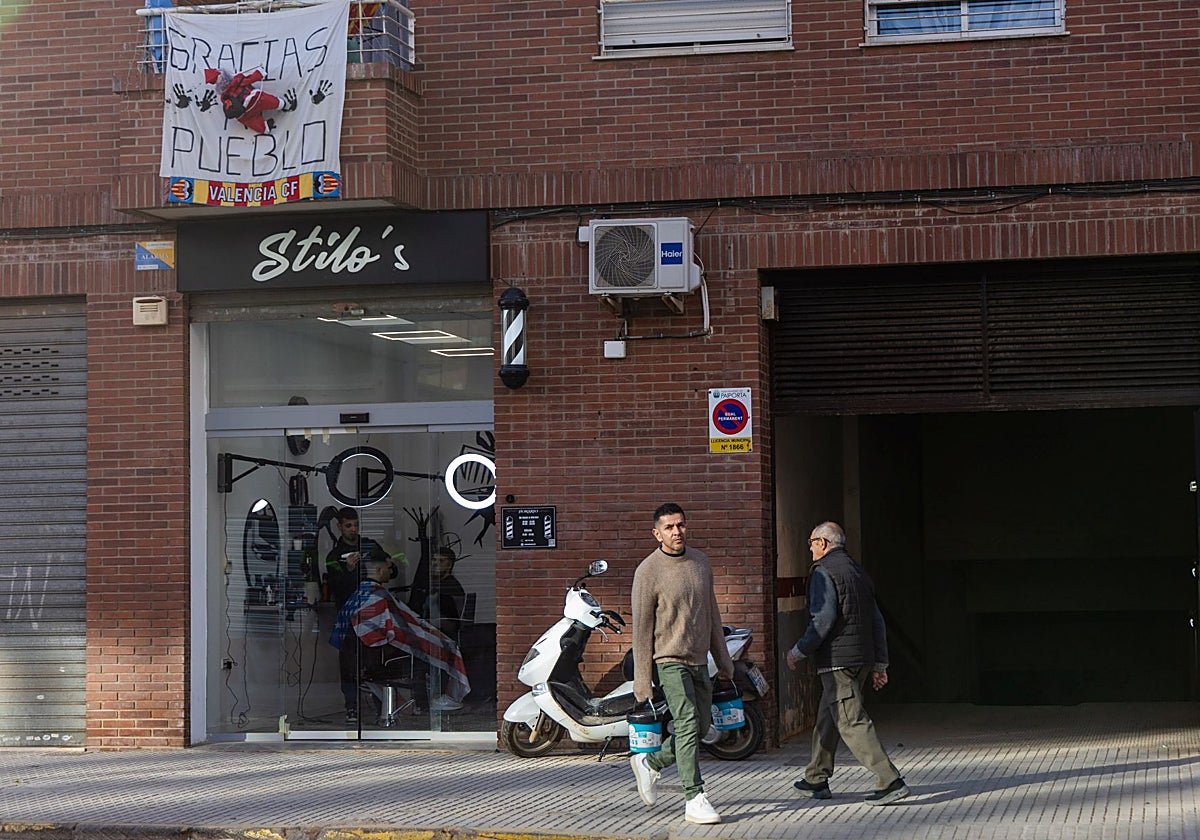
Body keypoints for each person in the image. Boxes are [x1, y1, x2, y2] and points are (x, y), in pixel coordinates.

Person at [787, 521, 910, 806]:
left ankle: (890, 781)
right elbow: (876, 619)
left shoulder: (823, 572)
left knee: (851, 720)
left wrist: (798, 651)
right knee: (828, 717)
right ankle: (816, 778)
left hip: (837, 661)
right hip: (861, 658)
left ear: (823, 543)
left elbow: (823, 619)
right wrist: (880, 663)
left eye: (811, 542)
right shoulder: (857, 572)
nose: (809, 548)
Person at [628, 503, 734, 826]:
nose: (677, 532)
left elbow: (713, 616)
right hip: (669, 660)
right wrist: (642, 679)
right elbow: (642, 629)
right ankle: (694, 797)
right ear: (656, 533)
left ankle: (651, 763)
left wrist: (724, 660)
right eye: (670, 527)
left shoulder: (700, 563)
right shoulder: (648, 571)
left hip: (699, 659)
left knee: (701, 727)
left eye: (681, 525)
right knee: (687, 722)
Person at [329, 556, 470, 726]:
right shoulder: (378, 595)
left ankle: (406, 705)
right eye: (389, 568)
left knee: (421, 646)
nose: (392, 572)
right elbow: (404, 626)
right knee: (432, 650)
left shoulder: (359, 593)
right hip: (375, 656)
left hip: (359, 656)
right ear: (379, 570)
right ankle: (427, 702)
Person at [324, 507, 389, 610]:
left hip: (373, 605)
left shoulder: (370, 546)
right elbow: (335, 589)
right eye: (348, 526)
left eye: (356, 525)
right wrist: (349, 570)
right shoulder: (334, 556)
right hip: (349, 608)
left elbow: (392, 572)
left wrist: (387, 567)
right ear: (339, 526)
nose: (353, 529)